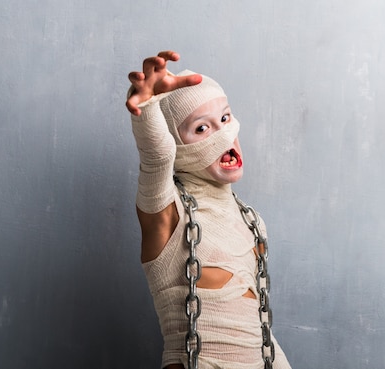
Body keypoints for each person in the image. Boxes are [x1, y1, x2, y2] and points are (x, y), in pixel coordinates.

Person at [126, 50, 292, 369]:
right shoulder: (168, 214)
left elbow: (260, 332)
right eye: (201, 128)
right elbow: (157, 157)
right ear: (176, 143)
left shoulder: (252, 221)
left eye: (225, 118)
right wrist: (147, 106)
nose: (223, 134)